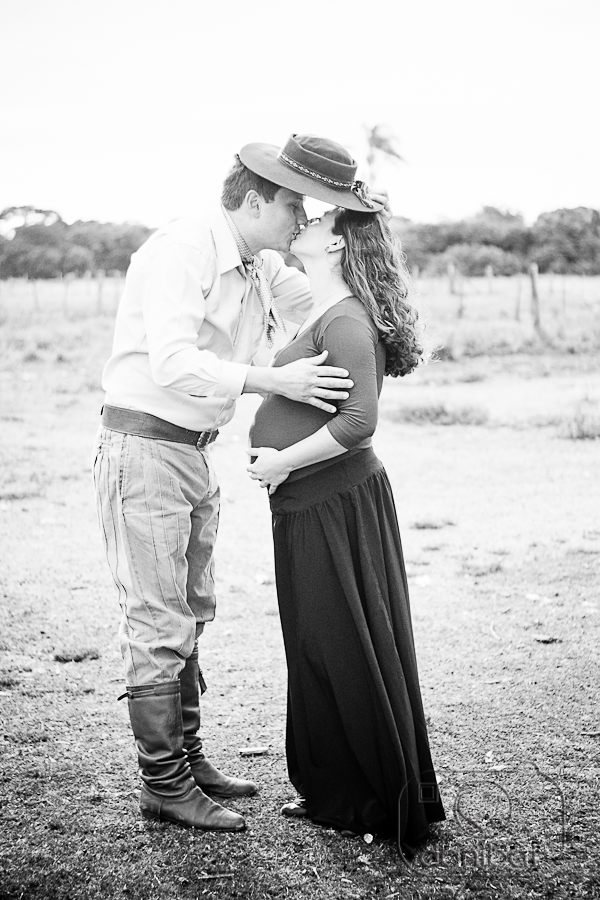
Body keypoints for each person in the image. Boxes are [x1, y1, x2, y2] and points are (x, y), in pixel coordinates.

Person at [92, 134, 388, 832]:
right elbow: (170, 361)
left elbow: (328, 300)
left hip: (193, 451)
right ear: (254, 203)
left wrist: (360, 238)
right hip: (145, 447)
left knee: (192, 607)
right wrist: (272, 381)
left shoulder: (260, 262)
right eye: (293, 206)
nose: (301, 217)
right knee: (158, 617)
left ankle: (189, 761)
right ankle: (163, 783)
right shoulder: (183, 249)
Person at [247, 180, 446, 852]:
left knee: (345, 646)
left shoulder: (347, 320)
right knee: (317, 646)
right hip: (308, 501)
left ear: (336, 244)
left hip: (333, 502)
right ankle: (335, 791)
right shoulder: (325, 310)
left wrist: (281, 460)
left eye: (323, 215)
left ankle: (374, 797)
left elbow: (359, 422)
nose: (307, 216)